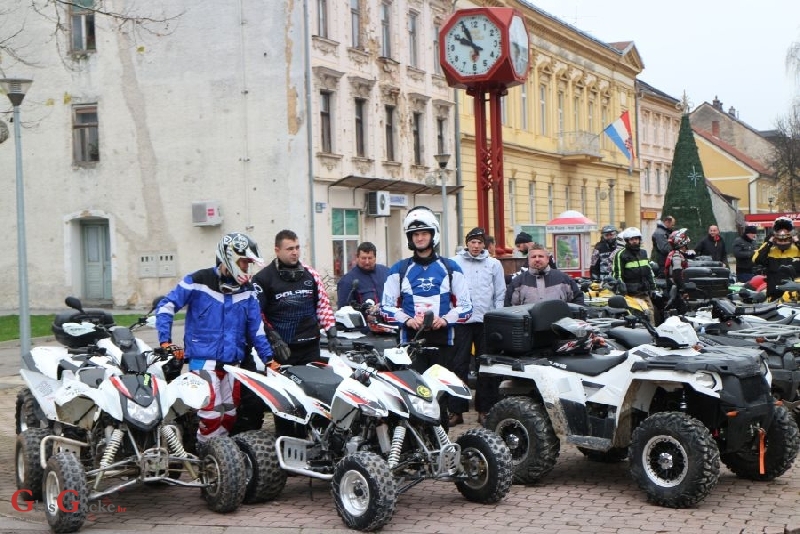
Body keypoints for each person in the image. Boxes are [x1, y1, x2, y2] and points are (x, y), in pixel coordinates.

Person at [155, 232, 274, 444]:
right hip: (203, 359)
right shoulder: (197, 280)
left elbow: (257, 330)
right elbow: (166, 306)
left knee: (228, 413)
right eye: (244, 262)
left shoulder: (247, 291)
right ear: (230, 257)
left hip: (232, 363)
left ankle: (219, 456)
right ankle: (204, 452)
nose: (247, 268)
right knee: (210, 413)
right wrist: (165, 341)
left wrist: (269, 360)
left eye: (249, 263)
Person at [381, 206, 473, 426]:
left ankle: (440, 447)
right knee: (414, 396)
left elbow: (467, 306)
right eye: (415, 234)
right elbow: (385, 307)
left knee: (439, 398)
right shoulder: (398, 269)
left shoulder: (451, 267)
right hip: (410, 344)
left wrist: (446, 319)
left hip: (444, 343)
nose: (419, 238)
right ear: (410, 238)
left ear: (433, 234)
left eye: (424, 233)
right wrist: (407, 319)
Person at [252, 229, 339, 366]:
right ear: (277, 250)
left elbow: (323, 306)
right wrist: (273, 338)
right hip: (283, 349)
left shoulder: (311, 274)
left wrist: (332, 333)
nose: (295, 252)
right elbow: (257, 314)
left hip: (311, 348)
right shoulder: (262, 278)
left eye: (297, 248)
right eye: (290, 249)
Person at [451, 227, 505, 425]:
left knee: (486, 366)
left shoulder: (494, 264)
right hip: (461, 321)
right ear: (467, 243)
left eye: (479, 242)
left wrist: (497, 315)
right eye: (472, 242)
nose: (475, 246)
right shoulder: (454, 262)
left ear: (485, 245)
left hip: (485, 321)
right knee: (458, 366)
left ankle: (485, 409)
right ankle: (456, 411)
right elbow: (448, 289)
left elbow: (500, 292)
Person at [506, 244, 584, 306]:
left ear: (547, 259)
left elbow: (578, 301)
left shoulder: (564, 279)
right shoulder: (517, 282)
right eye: (533, 257)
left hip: (558, 324)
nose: (537, 259)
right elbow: (508, 308)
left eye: (540, 256)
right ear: (528, 260)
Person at [612, 227, 657, 319]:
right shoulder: (621, 254)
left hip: (643, 292)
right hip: (630, 293)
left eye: (636, 239)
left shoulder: (643, 253)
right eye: (632, 239)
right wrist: (621, 287)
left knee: (650, 312)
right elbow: (617, 273)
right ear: (627, 241)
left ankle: (651, 331)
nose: (634, 241)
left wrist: (653, 288)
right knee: (637, 315)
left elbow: (649, 272)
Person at [753, 217, 800, 300]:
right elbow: (756, 259)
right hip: (773, 294)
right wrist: (769, 243)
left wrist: (797, 242)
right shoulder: (770, 250)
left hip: (794, 296)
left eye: (785, 239)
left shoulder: (797, 249)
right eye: (780, 240)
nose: (783, 241)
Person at [335, 241, 390, 309]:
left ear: (375, 258)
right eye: (363, 258)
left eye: (370, 258)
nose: (367, 262)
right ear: (357, 258)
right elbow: (344, 311)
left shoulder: (386, 273)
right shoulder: (347, 281)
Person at [664, 229, 692, 314]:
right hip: (676, 290)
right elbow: (677, 275)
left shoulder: (676, 253)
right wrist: (684, 290)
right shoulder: (676, 255)